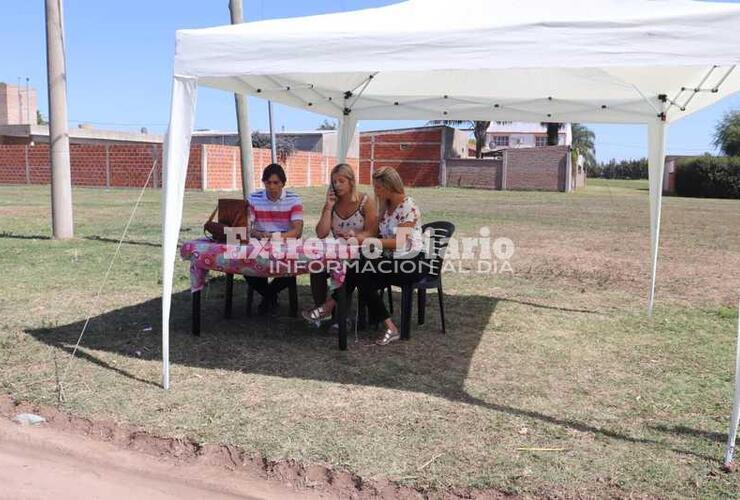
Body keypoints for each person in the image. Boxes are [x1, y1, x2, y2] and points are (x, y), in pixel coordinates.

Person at [356, 166, 425, 346]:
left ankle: (330, 308)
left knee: (361, 271)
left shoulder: (408, 206)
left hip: (411, 262)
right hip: (392, 260)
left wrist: (370, 243)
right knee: (359, 271)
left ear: (389, 186)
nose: (375, 192)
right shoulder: (386, 207)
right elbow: (375, 233)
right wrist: (358, 238)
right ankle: (389, 326)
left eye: (378, 187)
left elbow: (400, 242)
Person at [302, 163, 377, 326]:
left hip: (361, 252)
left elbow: (372, 232)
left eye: (341, 181)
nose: (337, 185)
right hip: (338, 252)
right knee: (316, 264)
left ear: (351, 181)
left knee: (344, 266)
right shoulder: (333, 203)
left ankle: (341, 317)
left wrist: (355, 236)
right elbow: (321, 233)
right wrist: (328, 208)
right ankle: (321, 310)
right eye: (334, 182)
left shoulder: (365, 201)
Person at [247, 163, 304, 314]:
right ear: (263, 182)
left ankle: (268, 296)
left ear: (283, 183)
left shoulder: (294, 199)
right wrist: (259, 234)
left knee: (292, 265)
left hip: (285, 241)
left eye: (276, 183)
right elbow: (248, 227)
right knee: (245, 263)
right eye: (268, 182)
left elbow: (297, 230)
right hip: (260, 240)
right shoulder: (253, 198)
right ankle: (270, 295)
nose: (271, 186)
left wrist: (277, 237)